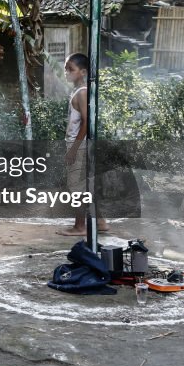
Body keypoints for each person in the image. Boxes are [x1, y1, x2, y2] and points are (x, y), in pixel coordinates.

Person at [56, 53, 109, 237]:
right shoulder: (79, 91)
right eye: (66, 69)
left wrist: (73, 149)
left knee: (76, 188)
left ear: (83, 72)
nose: (66, 72)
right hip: (80, 146)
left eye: (71, 69)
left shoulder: (83, 92)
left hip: (79, 146)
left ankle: (80, 226)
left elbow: (87, 123)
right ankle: (100, 221)